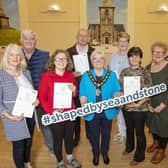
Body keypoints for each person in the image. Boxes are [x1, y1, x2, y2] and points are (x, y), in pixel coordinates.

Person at [38, 49, 81, 168]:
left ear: (68, 62)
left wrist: (74, 91)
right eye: (59, 59)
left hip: (70, 113)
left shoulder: (70, 76)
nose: (62, 61)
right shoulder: (46, 76)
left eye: (64, 59)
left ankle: (70, 158)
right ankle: (60, 162)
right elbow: (42, 97)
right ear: (53, 61)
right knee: (57, 140)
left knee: (69, 138)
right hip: (55, 115)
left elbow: (74, 94)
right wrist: (52, 111)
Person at [0, 44, 39, 168]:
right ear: (6, 57)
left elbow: (31, 91)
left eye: (18, 55)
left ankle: (27, 163)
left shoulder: (26, 73)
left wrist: (36, 101)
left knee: (28, 142)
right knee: (18, 147)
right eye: (11, 55)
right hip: (13, 116)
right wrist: (9, 116)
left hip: (29, 114)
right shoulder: (1, 76)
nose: (15, 58)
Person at [79, 49, 120, 166]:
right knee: (94, 135)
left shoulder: (111, 75)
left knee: (106, 134)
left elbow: (116, 91)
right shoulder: (86, 75)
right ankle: (96, 153)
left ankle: (105, 153)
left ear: (104, 60)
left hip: (107, 111)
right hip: (92, 112)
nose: (98, 61)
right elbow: (83, 93)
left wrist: (118, 97)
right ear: (92, 61)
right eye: (95, 58)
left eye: (101, 58)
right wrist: (83, 105)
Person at [20, 29, 54, 154]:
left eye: (32, 39)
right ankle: (25, 155)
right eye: (26, 39)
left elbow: (51, 75)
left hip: (41, 97)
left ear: (35, 41)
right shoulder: (15, 55)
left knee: (47, 126)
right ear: (21, 40)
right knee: (25, 129)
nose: (29, 41)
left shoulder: (44, 55)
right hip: (22, 99)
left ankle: (52, 149)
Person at [119, 47, 152, 166]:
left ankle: (139, 157)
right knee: (129, 129)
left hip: (140, 108)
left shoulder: (145, 72)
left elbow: (149, 92)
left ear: (140, 58)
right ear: (128, 58)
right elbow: (120, 90)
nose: (134, 58)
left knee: (139, 132)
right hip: (127, 108)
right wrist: (123, 100)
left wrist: (138, 103)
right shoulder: (124, 72)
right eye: (131, 56)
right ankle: (129, 147)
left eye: (136, 56)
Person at [67, 28, 94, 146]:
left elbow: (98, 69)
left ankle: (90, 134)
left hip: (89, 88)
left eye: (85, 36)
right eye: (80, 36)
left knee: (89, 112)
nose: (83, 38)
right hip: (74, 89)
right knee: (76, 114)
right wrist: (72, 74)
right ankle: (76, 136)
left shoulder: (93, 52)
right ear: (76, 37)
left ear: (89, 38)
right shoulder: (69, 52)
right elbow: (63, 71)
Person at [146, 42, 168, 164]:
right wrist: (147, 102)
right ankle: (156, 142)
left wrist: (163, 105)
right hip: (151, 103)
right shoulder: (148, 67)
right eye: (154, 51)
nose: (156, 54)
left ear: (165, 54)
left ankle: (161, 150)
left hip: (165, 104)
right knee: (152, 124)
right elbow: (144, 86)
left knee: (163, 127)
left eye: (160, 52)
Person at [108, 32, 130, 143]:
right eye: (120, 41)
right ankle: (121, 132)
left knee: (125, 112)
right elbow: (109, 71)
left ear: (128, 43)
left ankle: (126, 134)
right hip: (114, 89)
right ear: (117, 42)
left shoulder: (130, 57)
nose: (122, 43)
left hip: (125, 89)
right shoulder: (113, 56)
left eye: (125, 41)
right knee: (118, 112)